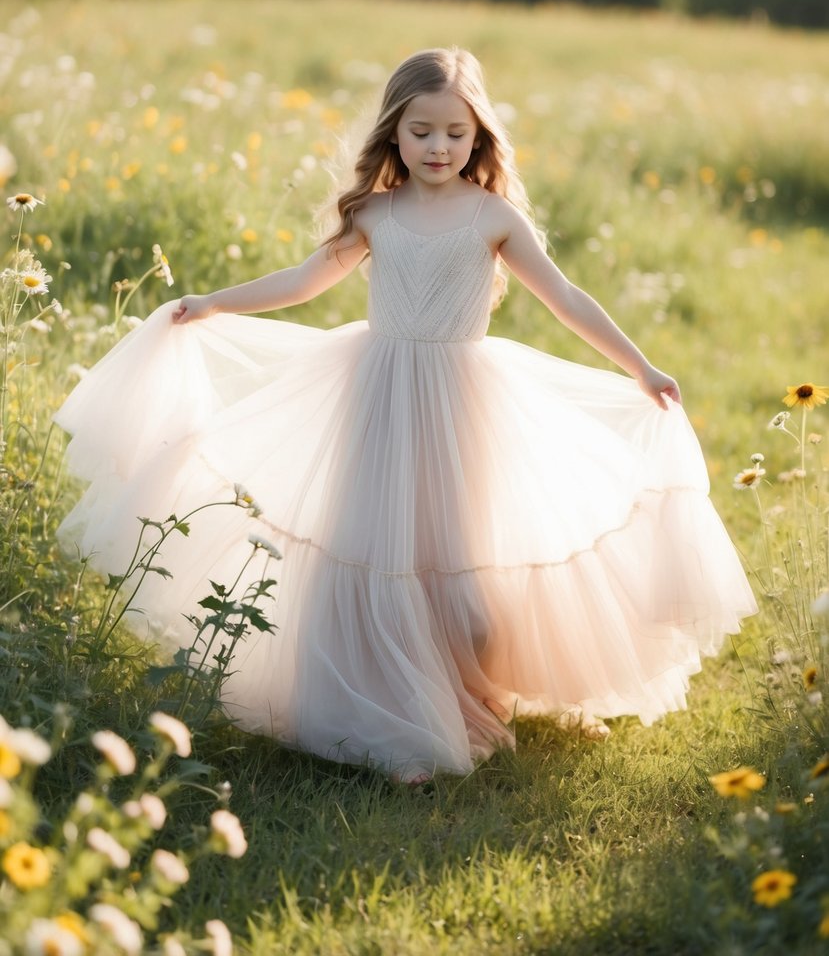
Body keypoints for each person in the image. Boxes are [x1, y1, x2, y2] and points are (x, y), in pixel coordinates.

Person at [55, 47, 757, 784]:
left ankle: (462, 688)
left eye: (454, 133)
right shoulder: (376, 213)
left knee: (456, 563)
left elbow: (567, 299)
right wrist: (214, 301)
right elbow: (305, 280)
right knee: (371, 546)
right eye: (421, 131)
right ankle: (387, 719)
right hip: (376, 391)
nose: (437, 147)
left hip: (464, 404)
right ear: (394, 133)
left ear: (477, 137)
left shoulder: (493, 216)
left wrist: (640, 366)